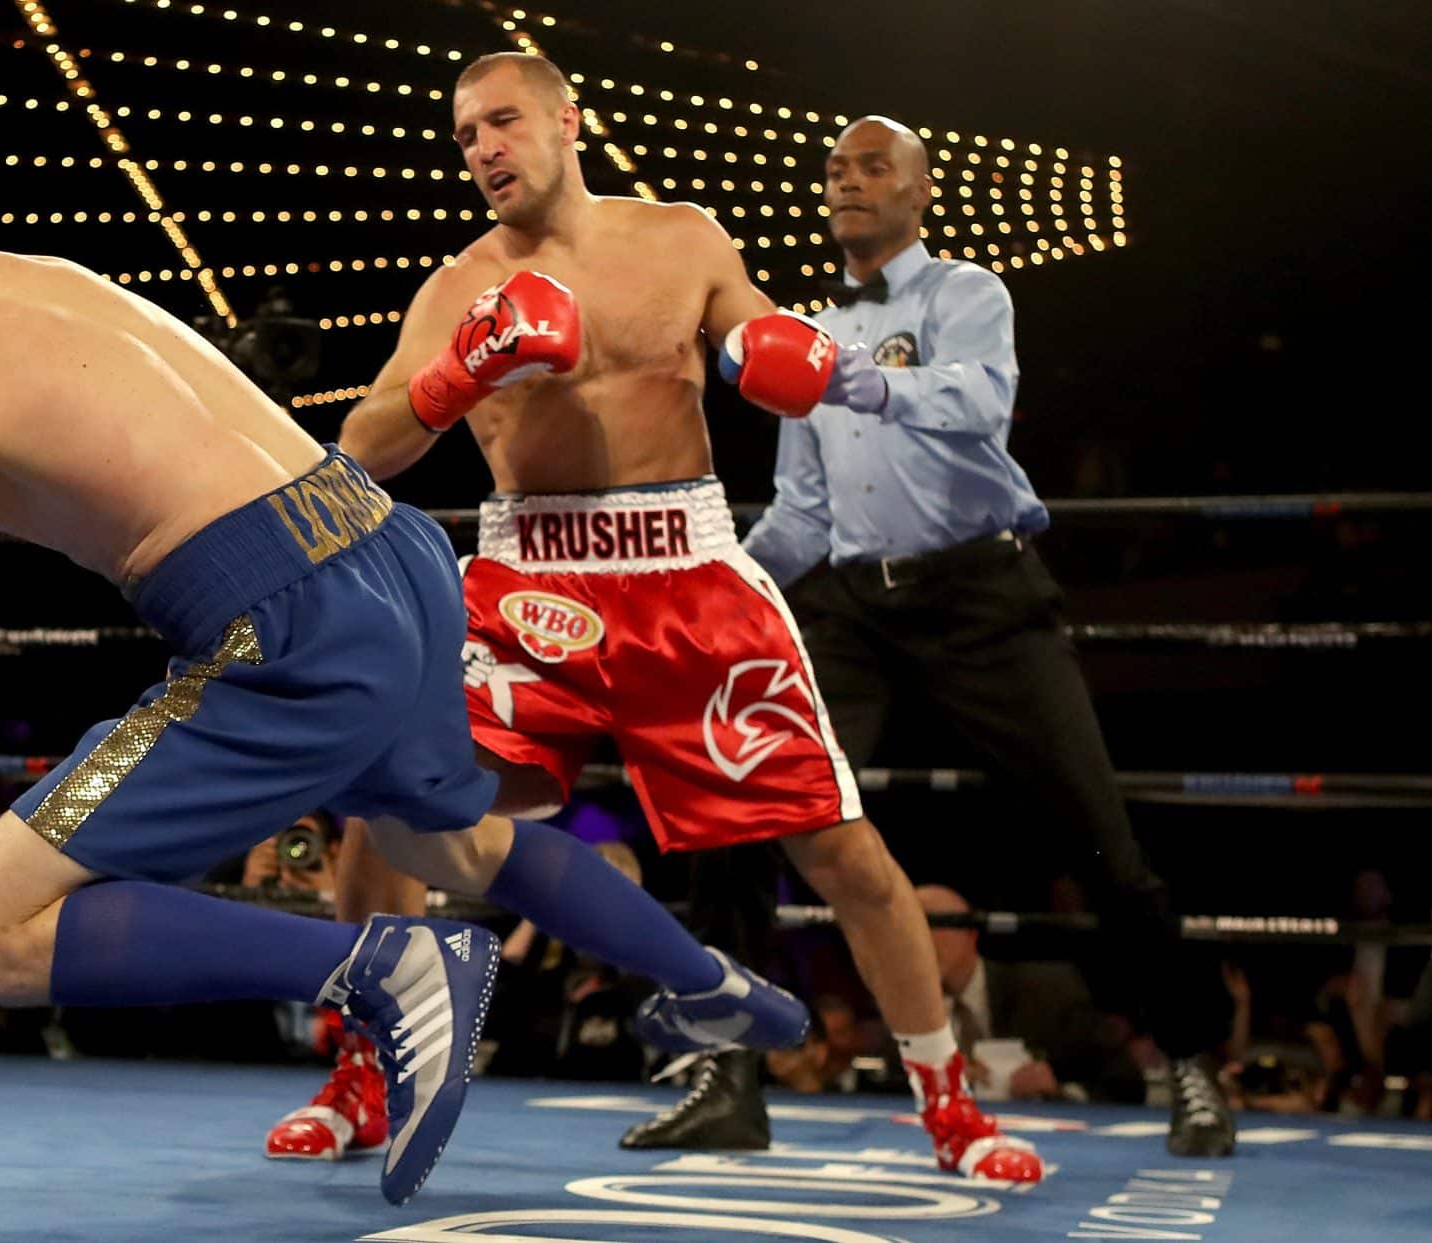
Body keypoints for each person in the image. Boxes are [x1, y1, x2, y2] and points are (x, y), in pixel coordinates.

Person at [0, 242, 806, 1206]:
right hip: (393, 552)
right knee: (450, 842)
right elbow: (50, 421)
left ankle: (393, 967)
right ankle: (709, 982)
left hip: (285, 620)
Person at [316, 54, 1039, 1181]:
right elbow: (361, 447)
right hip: (525, 584)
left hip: (685, 575)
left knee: (839, 847)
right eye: (463, 136)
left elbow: (760, 337)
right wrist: (460, 372)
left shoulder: (681, 238)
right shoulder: (457, 285)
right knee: (382, 790)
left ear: (567, 120)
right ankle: (364, 1071)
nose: (483, 150)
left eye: (501, 122)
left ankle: (948, 1103)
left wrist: (784, 354)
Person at [730, 114, 1235, 1154]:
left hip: (981, 596)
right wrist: (712, 585)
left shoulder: (965, 293)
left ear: (918, 191)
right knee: (752, 803)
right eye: (834, 170)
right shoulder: (803, 330)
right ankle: (724, 1071)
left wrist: (851, 377)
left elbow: (978, 402)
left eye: (872, 167)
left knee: (1097, 835)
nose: (848, 182)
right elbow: (801, 513)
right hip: (852, 608)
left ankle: (1190, 1063)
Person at [917, 885, 1143, 1103]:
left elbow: (1126, 1083)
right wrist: (935, 1078)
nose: (919, 941)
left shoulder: (1047, 993)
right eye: (906, 931)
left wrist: (1059, 1090)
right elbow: (888, 1079)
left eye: (932, 924)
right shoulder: (898, 1003)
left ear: (971, 934)